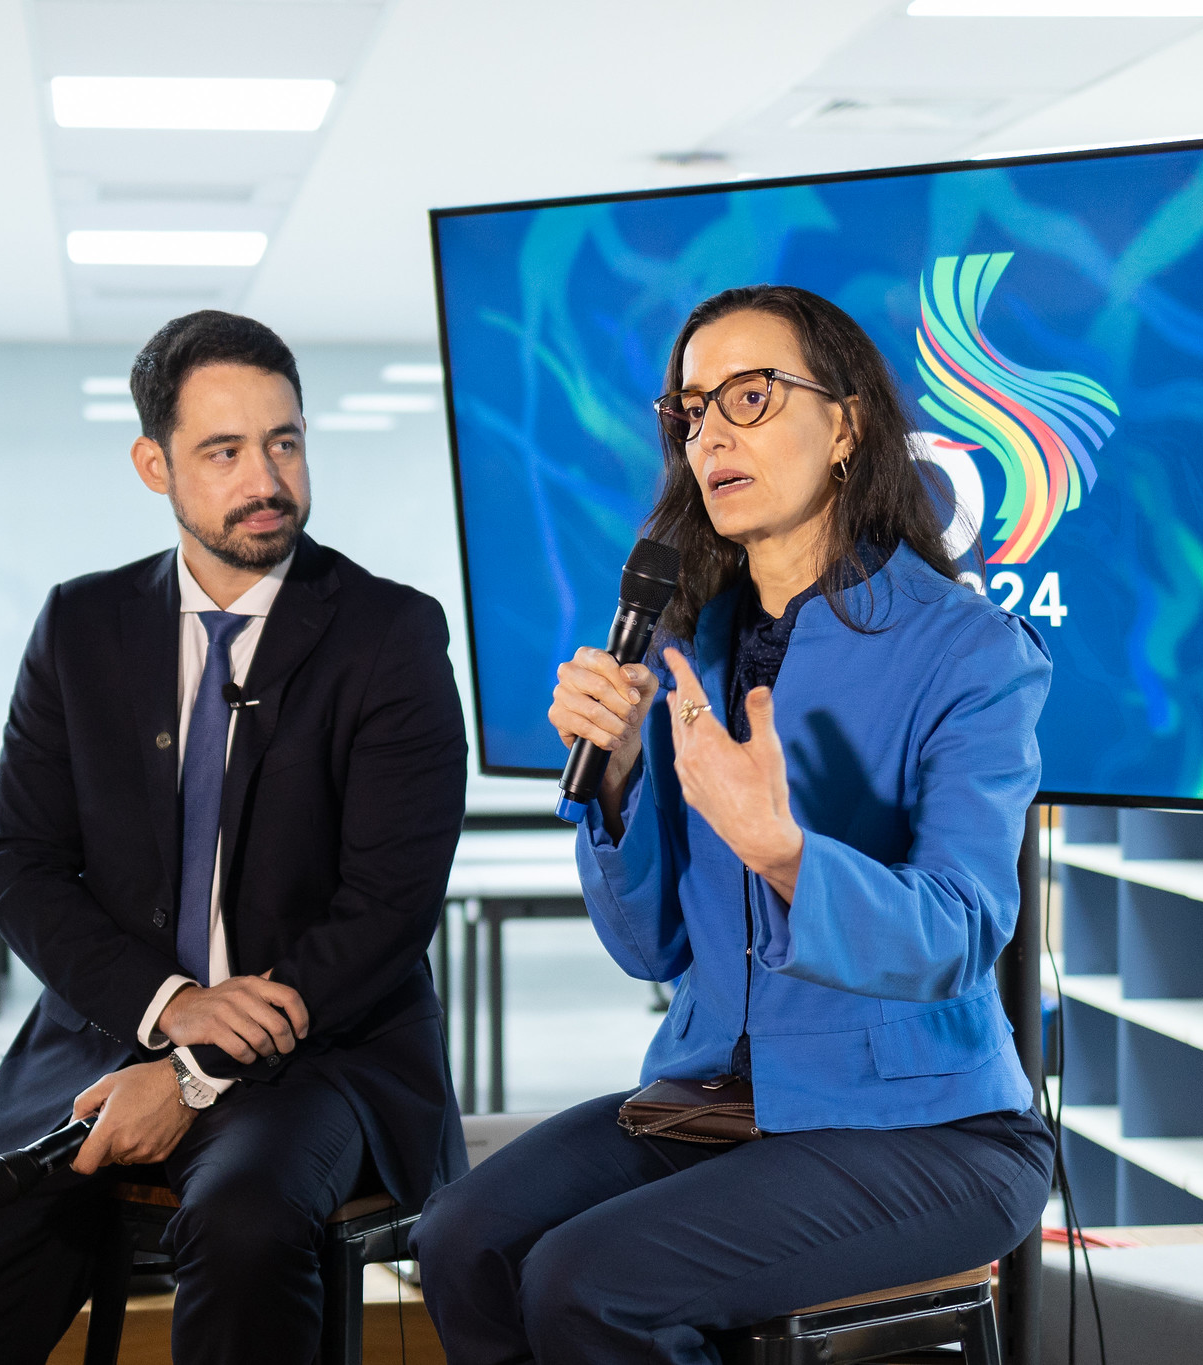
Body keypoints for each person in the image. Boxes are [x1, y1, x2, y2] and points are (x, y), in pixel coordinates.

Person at [413, 284, 1055, 1363]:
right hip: (713, 1095)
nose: (709, 431)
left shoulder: (969, 651)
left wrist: (784, 850)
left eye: (748, 397)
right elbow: (649, 949)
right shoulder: (686, 645)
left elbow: (960, 932)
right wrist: (615, 782)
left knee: (588, 1283)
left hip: (929, 1127)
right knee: (460, 1239)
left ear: (845, 424)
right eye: (690, 410)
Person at [0, 310, 469, 1365]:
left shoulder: (391, 634)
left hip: (319, 1052)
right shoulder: (80, 626)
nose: (266, 478)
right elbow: (19, 862)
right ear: (154, 464)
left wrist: (192, 1067)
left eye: (284, 442)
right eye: (224, 450)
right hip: (105, 1031)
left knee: (242, 1222)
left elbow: (387, 910)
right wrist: (167, 1011)